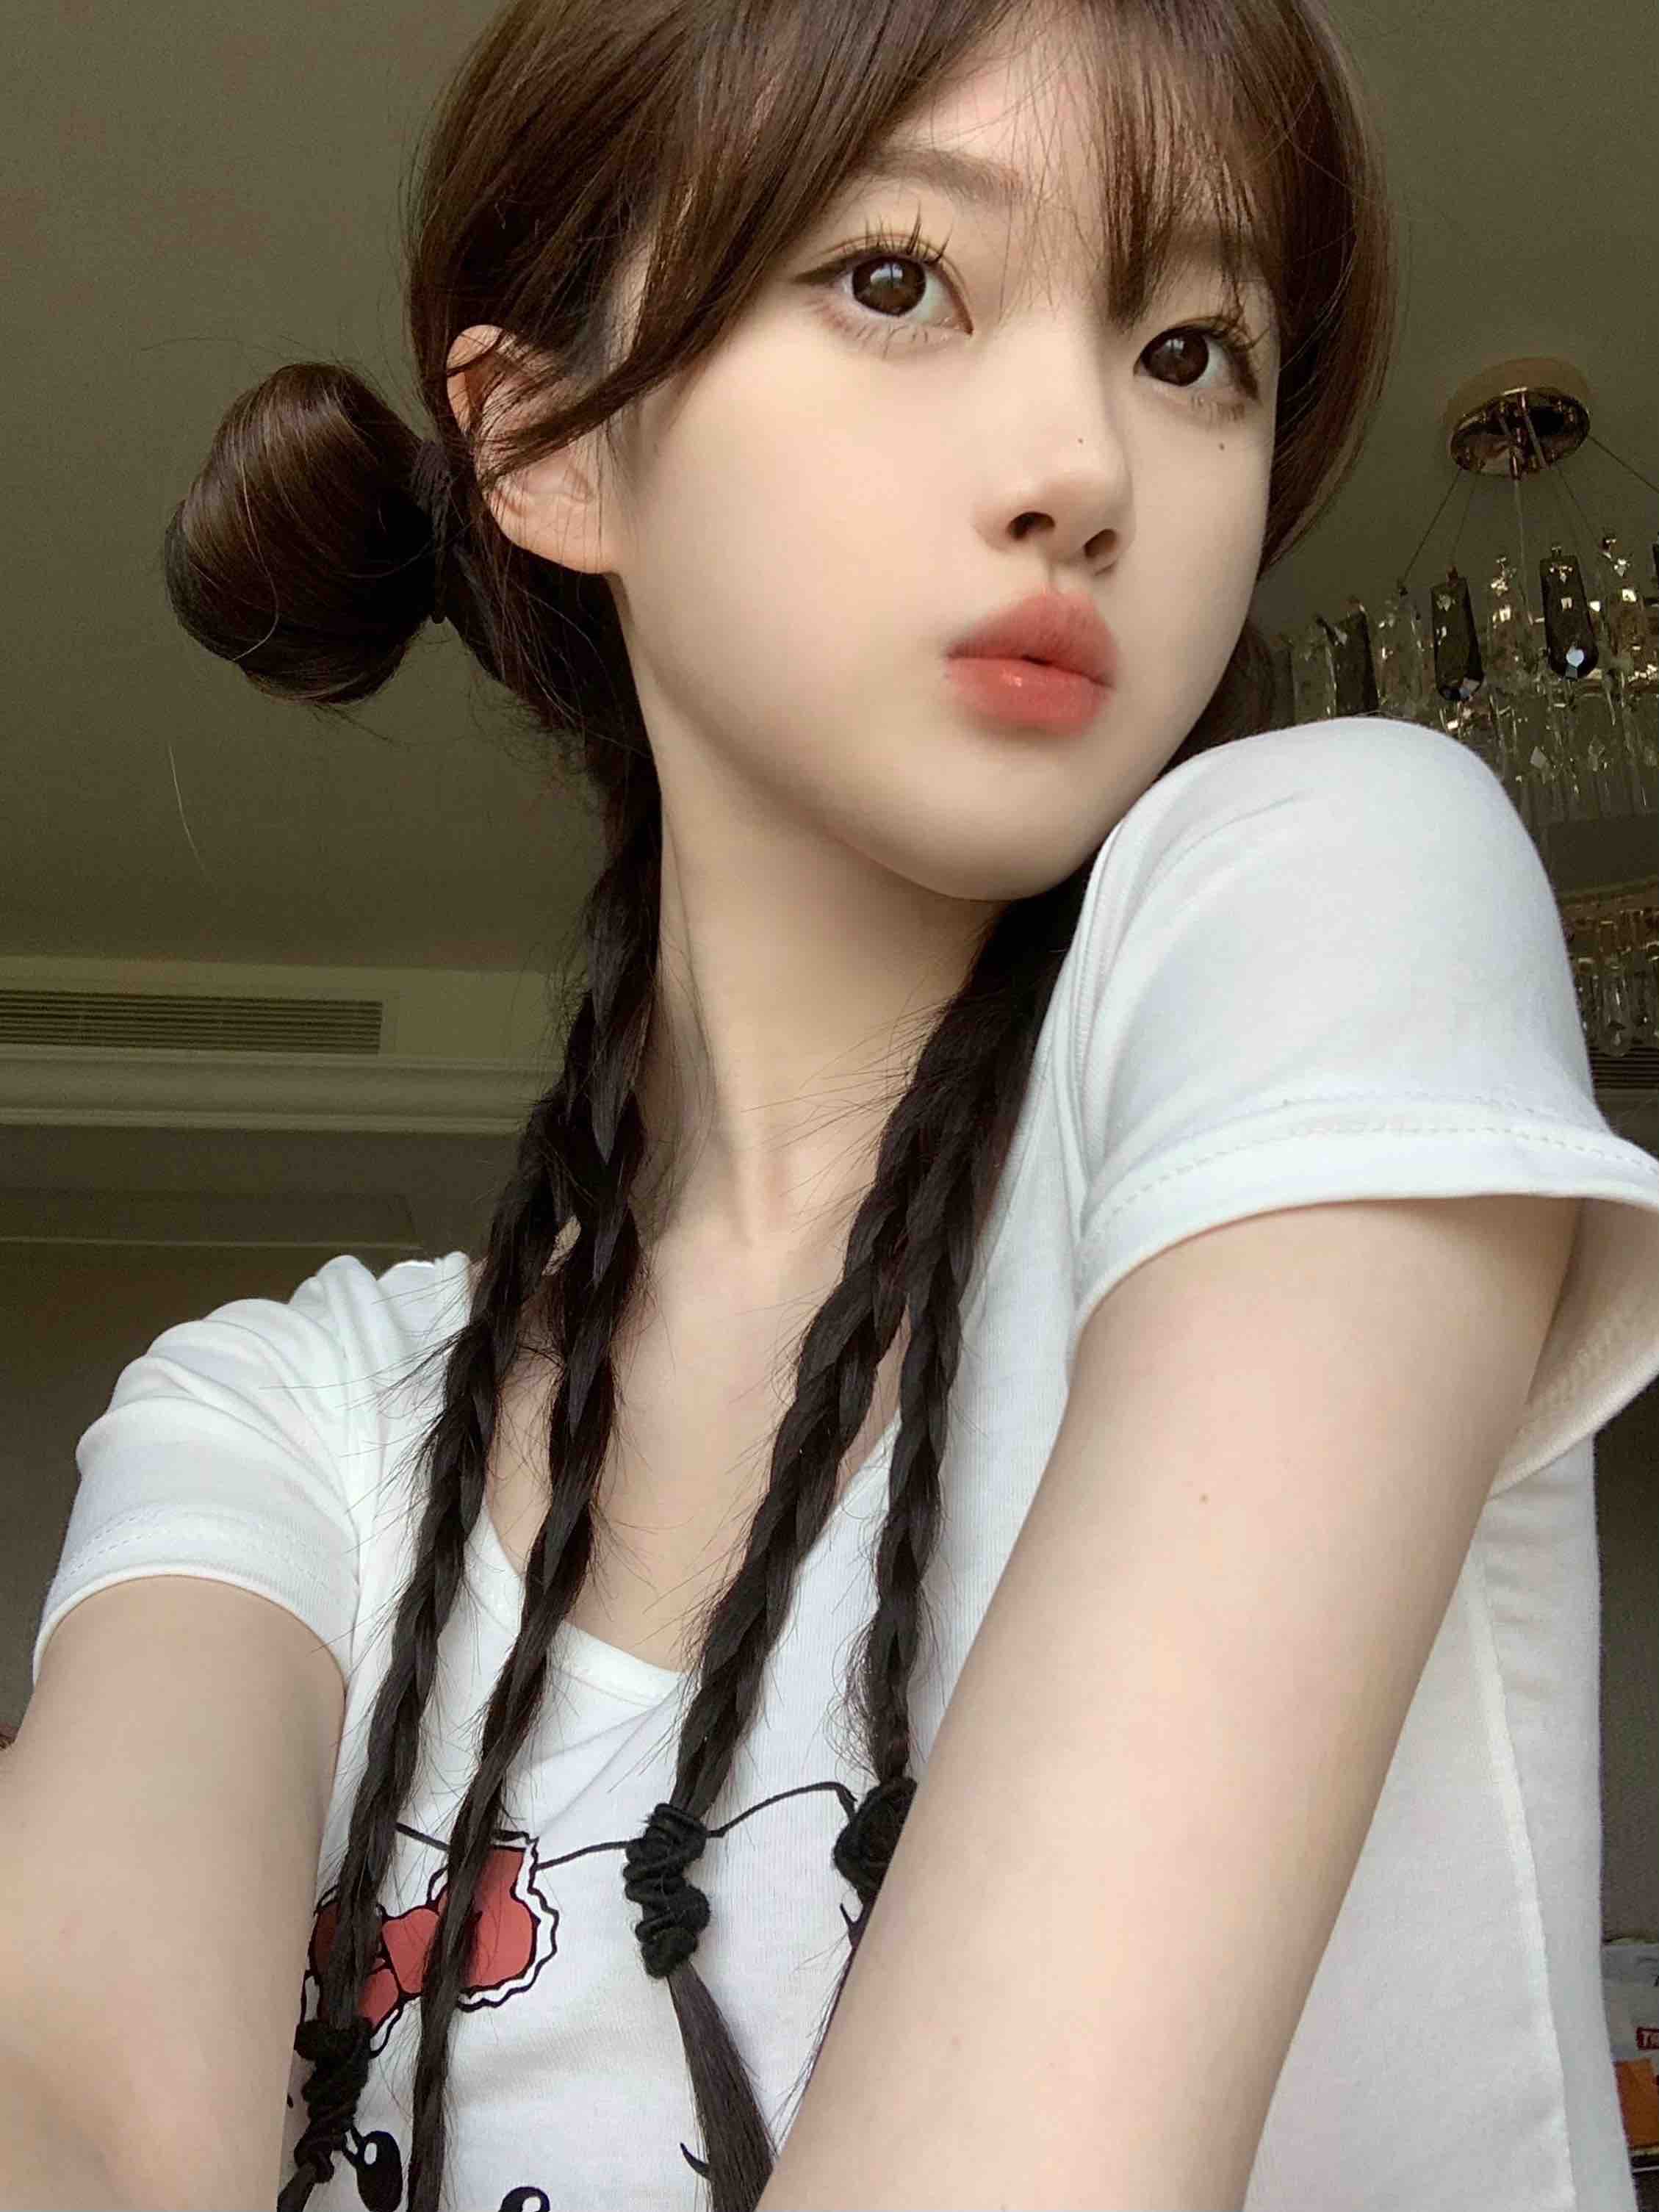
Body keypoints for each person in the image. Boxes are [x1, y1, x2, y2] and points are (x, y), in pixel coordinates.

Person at [15, 0, 1659, 2207]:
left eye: (1192, 353)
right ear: (546, 442)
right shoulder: (292, 1417)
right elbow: (74, 2100)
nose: (1084, 466)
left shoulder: (1334, 884)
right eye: (896, 279)